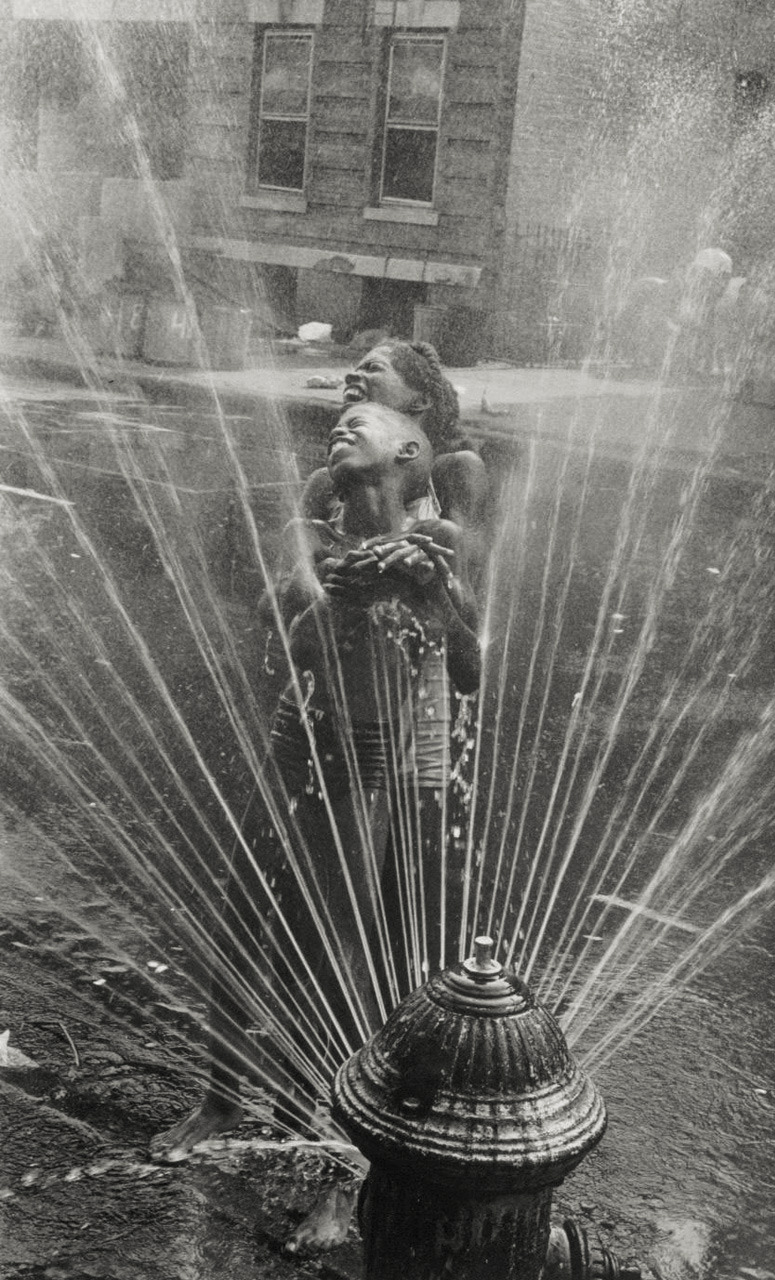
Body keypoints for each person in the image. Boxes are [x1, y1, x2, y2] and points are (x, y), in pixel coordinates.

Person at [151, 403, 479, 1164]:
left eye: (359, 420)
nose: (340, 424)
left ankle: (316, 1130)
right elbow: (281, 627)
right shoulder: (320, 534)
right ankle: (220, 1098)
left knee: (332, 945)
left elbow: (468, 670)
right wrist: (335, 589)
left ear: (408, 450)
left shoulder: (435, 542)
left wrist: (431, 595)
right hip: (294, 746)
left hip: (367, 764)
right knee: (241, 915)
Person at [301, 340, 488, 585]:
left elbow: (471, 561)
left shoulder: (453, 469)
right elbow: (279, 592)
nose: (351, 375)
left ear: (419, 401)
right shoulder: (326, 480)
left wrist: (428, 554)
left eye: (372, 368)